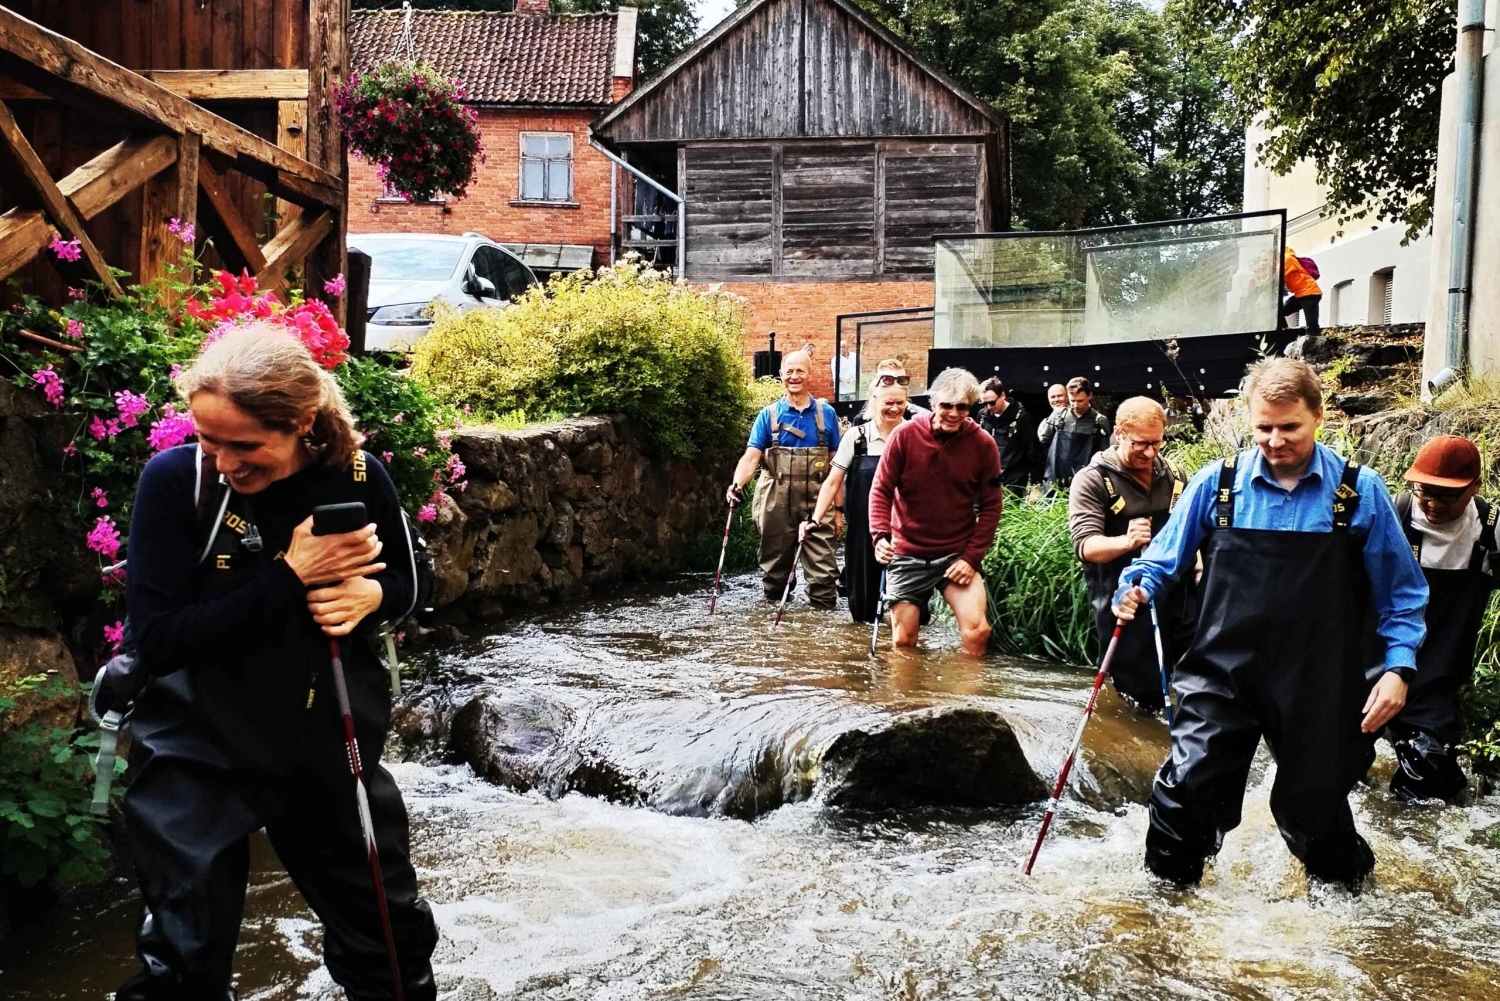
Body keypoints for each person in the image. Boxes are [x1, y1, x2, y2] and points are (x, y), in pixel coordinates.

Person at [117, 325, 438, 999]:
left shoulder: (356, 477)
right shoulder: (177, 484)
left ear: (298, 423)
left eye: (245, 444)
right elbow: (158, 641)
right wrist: (291, 576)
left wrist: (371, 594)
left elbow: (414, 583)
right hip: (195, 747)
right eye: (208, 438)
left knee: (389, 943)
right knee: (184, 959)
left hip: (323, 745)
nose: (225, 461)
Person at [1114, 357, 1426, 889]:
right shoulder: (1219, 484)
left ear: (1318, 416)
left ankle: (1352, 909)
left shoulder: (1358, 492)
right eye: (1263, 428)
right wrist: (1136, 585)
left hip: (1318, 679)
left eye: (1289, 428)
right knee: (1187, 791)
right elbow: (1160, 561)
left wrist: (1397, 668)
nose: (1275, 440)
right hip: (1222, 672)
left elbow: (1403, 593)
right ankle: (1163, 911)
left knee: (1311, 809)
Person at [1384, 435, 1496, 803]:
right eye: (1424, 492)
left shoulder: (1492, 529)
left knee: (1429, 780)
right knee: (1330, 777)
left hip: (1434, 683)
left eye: (1447, 495)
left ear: (1475, 487)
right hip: (1371, 672)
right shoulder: (1393, 514)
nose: (1432, 504)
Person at [1069, 397, 1193, 713]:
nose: (1151, 453)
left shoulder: (1176, 476)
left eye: (1157, 443)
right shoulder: (1093, 479)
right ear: (1119, 433)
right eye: (1141, 444)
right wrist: (1126, 541)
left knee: (1188, 689)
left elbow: (1196, 535)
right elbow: (1085, 547)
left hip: (1179, 602)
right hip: (1123, 604)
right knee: (1136, 699)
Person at [869, 367, 1002, 656]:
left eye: (962, 407)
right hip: (907, 552)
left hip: (956, 554)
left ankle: (966, 701)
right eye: (946, 406)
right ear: (933, 403)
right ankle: (908, 699)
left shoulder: (983, 445)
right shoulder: (904, 436)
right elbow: (881, 489)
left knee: (978, 631)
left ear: (971, 407)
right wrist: (880, 536)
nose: (953, 413)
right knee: (904, 640)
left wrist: (971, 557)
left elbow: (992, 505)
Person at [727, 350, 842, 607]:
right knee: (775, 571)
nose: (794, 376)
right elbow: (751, 457)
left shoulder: (827, 414)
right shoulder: (768, 415)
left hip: (818, 498)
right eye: (789, 371)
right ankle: (774, 626)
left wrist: (839, 509)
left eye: (800, 370)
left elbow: (837, 467)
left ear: (810, 374)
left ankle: (820, 632)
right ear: (780, 375)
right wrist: (737, 484)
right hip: (775, 499)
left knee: (823, 572)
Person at [805, 376, 911, 622]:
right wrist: (816, 519)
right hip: (863, 533)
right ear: (875, 400)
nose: (895, 408)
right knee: (864, 609)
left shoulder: (914, 434)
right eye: (888, 402)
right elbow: (833, 481)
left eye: (900, 402)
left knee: (909, 607)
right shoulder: (856, 437)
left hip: (906, 530)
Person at [1039, 376, 1112, 492]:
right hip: (1054, 481)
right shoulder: (1057, 416)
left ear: (1089, 396)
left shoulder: (1099, 421)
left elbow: (1103, 455)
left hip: (1084, 482)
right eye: (1072, 401)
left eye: (1080, 401)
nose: (1076, 405)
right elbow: (1043, 444)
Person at [977, 377, 1040, 490]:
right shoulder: (982, 415)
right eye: (984, 403)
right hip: (987, 478)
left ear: (1002, 395)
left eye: (992, 402)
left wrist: (1036, 482)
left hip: (1014, 480)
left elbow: (1033, 451)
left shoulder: (1022, 417)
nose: (988, 407)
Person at [849, 357, 930, 425]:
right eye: (887, 380)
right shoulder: (861, 422)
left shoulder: (915, 420)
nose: (896, 386)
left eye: (901, 380)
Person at [1282, 247, 1322, 334]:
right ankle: (1284, 333)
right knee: (1280, 312)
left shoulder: (1287, 259)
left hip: (1309, 292)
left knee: (1311, 323)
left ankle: (1313, 342)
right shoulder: (1287, 258)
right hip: (1301, 293)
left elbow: (1280, 274)